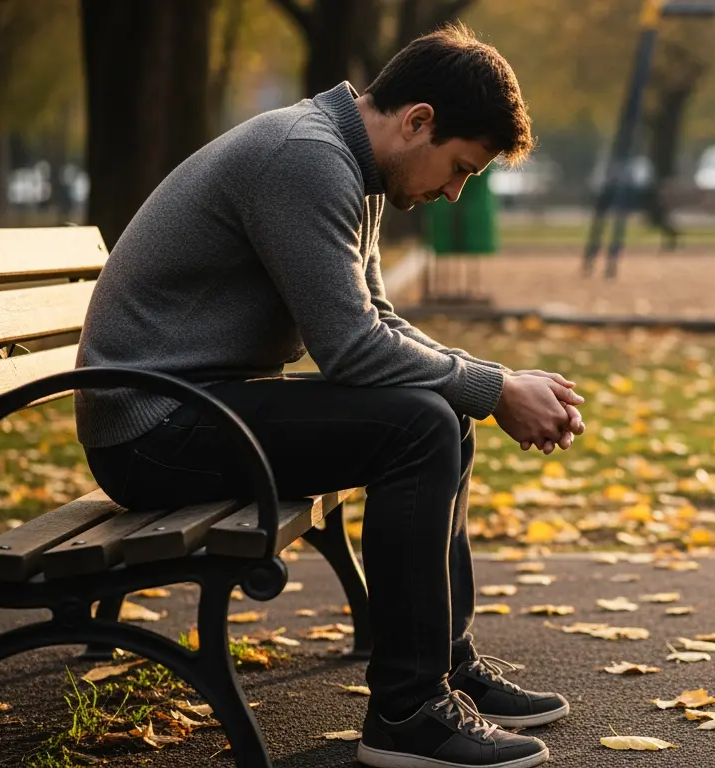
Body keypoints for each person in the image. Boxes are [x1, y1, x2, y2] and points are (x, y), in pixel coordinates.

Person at [75, 24, 575, 768]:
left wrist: (484, 380)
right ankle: (408, 714)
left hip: (203, 406)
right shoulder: (305, 158)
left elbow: (379, 324)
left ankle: (441, 663)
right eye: (459, 169)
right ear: (418, 122)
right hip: (154, 430)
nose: (450, 192)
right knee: (420, 425)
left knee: (439, 413)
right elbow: (352, 352)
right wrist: (497, 387)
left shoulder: (347, 161)